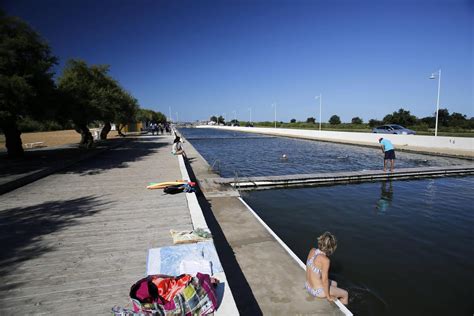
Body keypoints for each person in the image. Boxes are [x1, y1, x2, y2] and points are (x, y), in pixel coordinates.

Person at [305, 232, 349, 305]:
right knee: (345, 294)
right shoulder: (325, 260)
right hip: (318, 291)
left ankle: (334, 295)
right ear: (331, 248)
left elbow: (309, 269)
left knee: (335, 283)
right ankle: (343, 306)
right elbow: (324, 280)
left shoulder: (312, 250)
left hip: (308, 285)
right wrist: (328, 297)